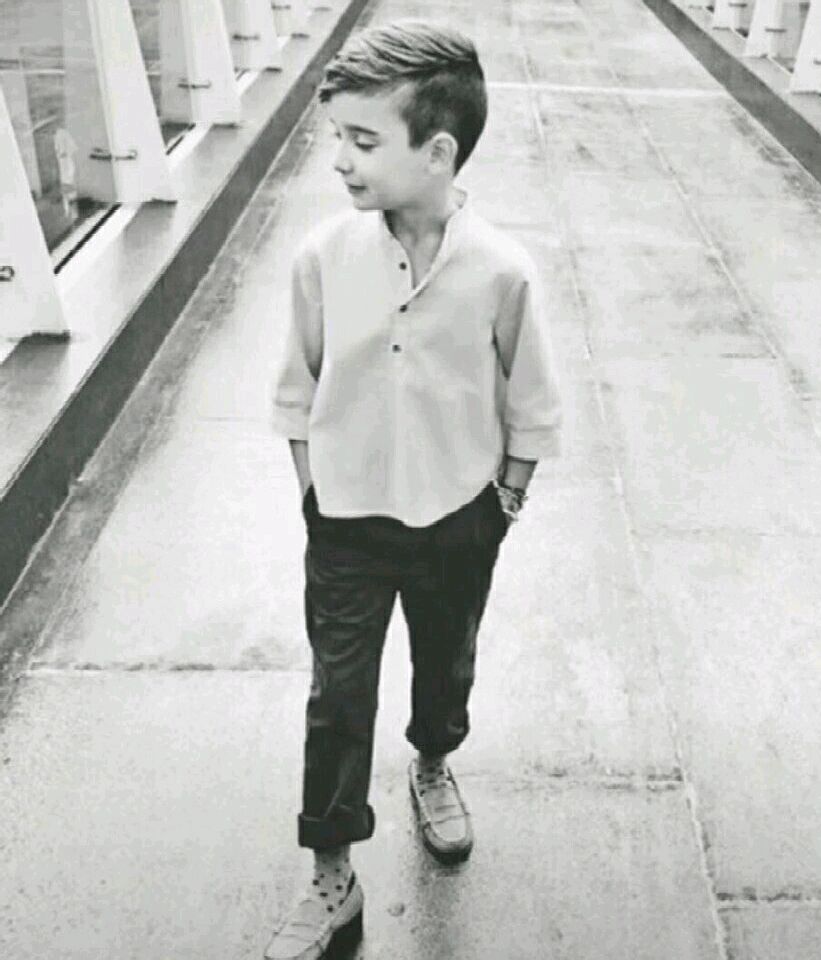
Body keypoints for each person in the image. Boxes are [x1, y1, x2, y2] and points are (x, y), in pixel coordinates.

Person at [264, 19, 562, 960]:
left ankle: (433, 760)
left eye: (364, 140)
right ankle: (332, 874)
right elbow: (296, 390)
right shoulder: (323, 257)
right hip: (346, 524)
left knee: (446, 662)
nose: (340, 160)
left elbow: (532, 403)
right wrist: (314, 496)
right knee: (337, 698)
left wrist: (503, 504)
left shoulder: (500, 271)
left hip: (457, 519)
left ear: (437, 153)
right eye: (337, 137)